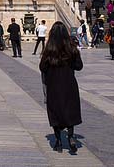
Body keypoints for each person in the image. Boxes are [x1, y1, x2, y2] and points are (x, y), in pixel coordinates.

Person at [39, 21, 83, 154]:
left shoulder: (49, 50)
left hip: (53, 85)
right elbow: (79, 66)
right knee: (70, 110)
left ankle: (58, 141)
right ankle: (70, 136)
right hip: (69, 84)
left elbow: (42, 67)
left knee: (55, 111)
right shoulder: (71, 48)